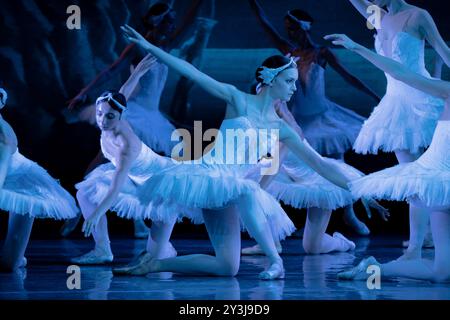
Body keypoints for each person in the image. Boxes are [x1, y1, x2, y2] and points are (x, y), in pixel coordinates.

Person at [114, 25, 384, 280]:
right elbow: (193, 72)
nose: (294, 87)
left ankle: (155, 263)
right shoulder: (238, 100)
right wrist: (150, 45)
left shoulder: (282, 128)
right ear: (271, 79)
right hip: (210, 178)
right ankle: (275, 261)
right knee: (248, 189)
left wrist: (359, 190)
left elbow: (321, 166)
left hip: (232, 189)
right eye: (289, 81)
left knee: (227, 267)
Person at [247, 0, 381, 235]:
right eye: (287, 29)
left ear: (305, 28)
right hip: (299, 120)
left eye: (294, 28)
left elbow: (349, 77)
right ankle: (292, 225)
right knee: (299, 167)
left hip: (324, 115)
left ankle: (348, 213)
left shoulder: (321, 53)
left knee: (333, 162)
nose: (290, 33)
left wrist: (375, 96)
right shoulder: (288, 55)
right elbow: (264, 23)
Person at [326, 32, 449, 283]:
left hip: (442, 183)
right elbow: (402, 73)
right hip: (439, 180)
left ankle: (374, 268)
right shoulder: (448, 90)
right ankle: (376, 268)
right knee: (442, 273)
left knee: (442, 273)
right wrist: (358, 47)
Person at [347, 0, 449, 259]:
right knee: (412, 178)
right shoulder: (377, 16)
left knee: (433, 174)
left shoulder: (418, 15)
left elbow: (442, 50)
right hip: (395, 107)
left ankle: (425, 239)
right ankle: (417, 243)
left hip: (424, 99)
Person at [71, 90, 200, 265]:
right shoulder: (111, 117)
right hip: (136, 180)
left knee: (156, 258)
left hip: (161, 183)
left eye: (109, 116)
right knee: (85, 192)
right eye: (99, 114)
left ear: (121, 115)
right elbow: (122, 93)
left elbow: (115, 188)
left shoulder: (126, 144)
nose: (102, 121)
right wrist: (137, 74)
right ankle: (102, 250)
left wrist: (96, 214)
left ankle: (166, 249)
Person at [0, 87, 79, 271]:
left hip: (23, 183)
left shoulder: (4, 134)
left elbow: (2, 166)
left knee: (9, 264)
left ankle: (75, 213)